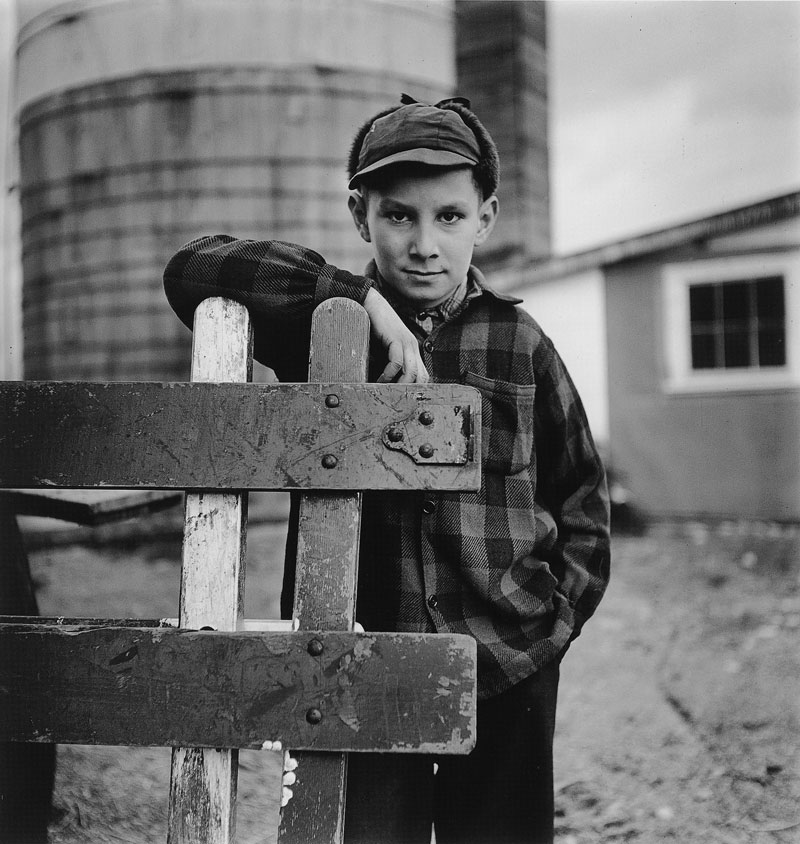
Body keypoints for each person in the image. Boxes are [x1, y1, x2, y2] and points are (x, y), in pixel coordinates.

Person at [163, 95, 611, 844]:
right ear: (359, 213)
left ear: (487, 217)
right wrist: (355, 295)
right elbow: (193, 267)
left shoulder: (520, 341)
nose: (425, 244)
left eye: (450, 217)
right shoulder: (323, 327)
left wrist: (552, 625)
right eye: (398, 216)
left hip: (504, 661)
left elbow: (582, 495)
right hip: (360, 661)